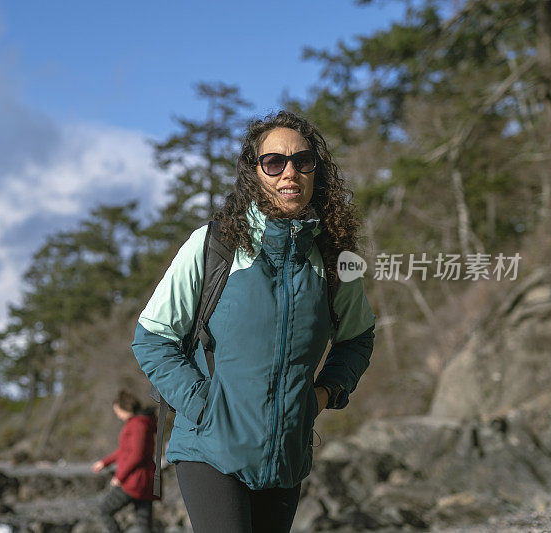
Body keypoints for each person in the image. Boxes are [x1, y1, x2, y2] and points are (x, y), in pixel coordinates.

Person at [131, 109, 376, 532]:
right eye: (274, 162)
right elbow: (152, 337)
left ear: (316, 171)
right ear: (254, 173)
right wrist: (203, 405)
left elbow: (358, 338)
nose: (290, 172)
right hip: (209, 448)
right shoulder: (213, 245)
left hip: (285, 456)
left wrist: (324, 394)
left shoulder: (335, 261)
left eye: (303, 161)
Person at [92, 388, 161, 532]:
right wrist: (105, 462)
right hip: (145, 480)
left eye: (117, 411)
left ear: (125, 407)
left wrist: (119, 477)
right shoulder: (140, 422)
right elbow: (125, 451)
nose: (117, 415)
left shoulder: (138, 425)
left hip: (136, 480)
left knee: (104, 510)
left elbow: (137, 455)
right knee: (144, 525)